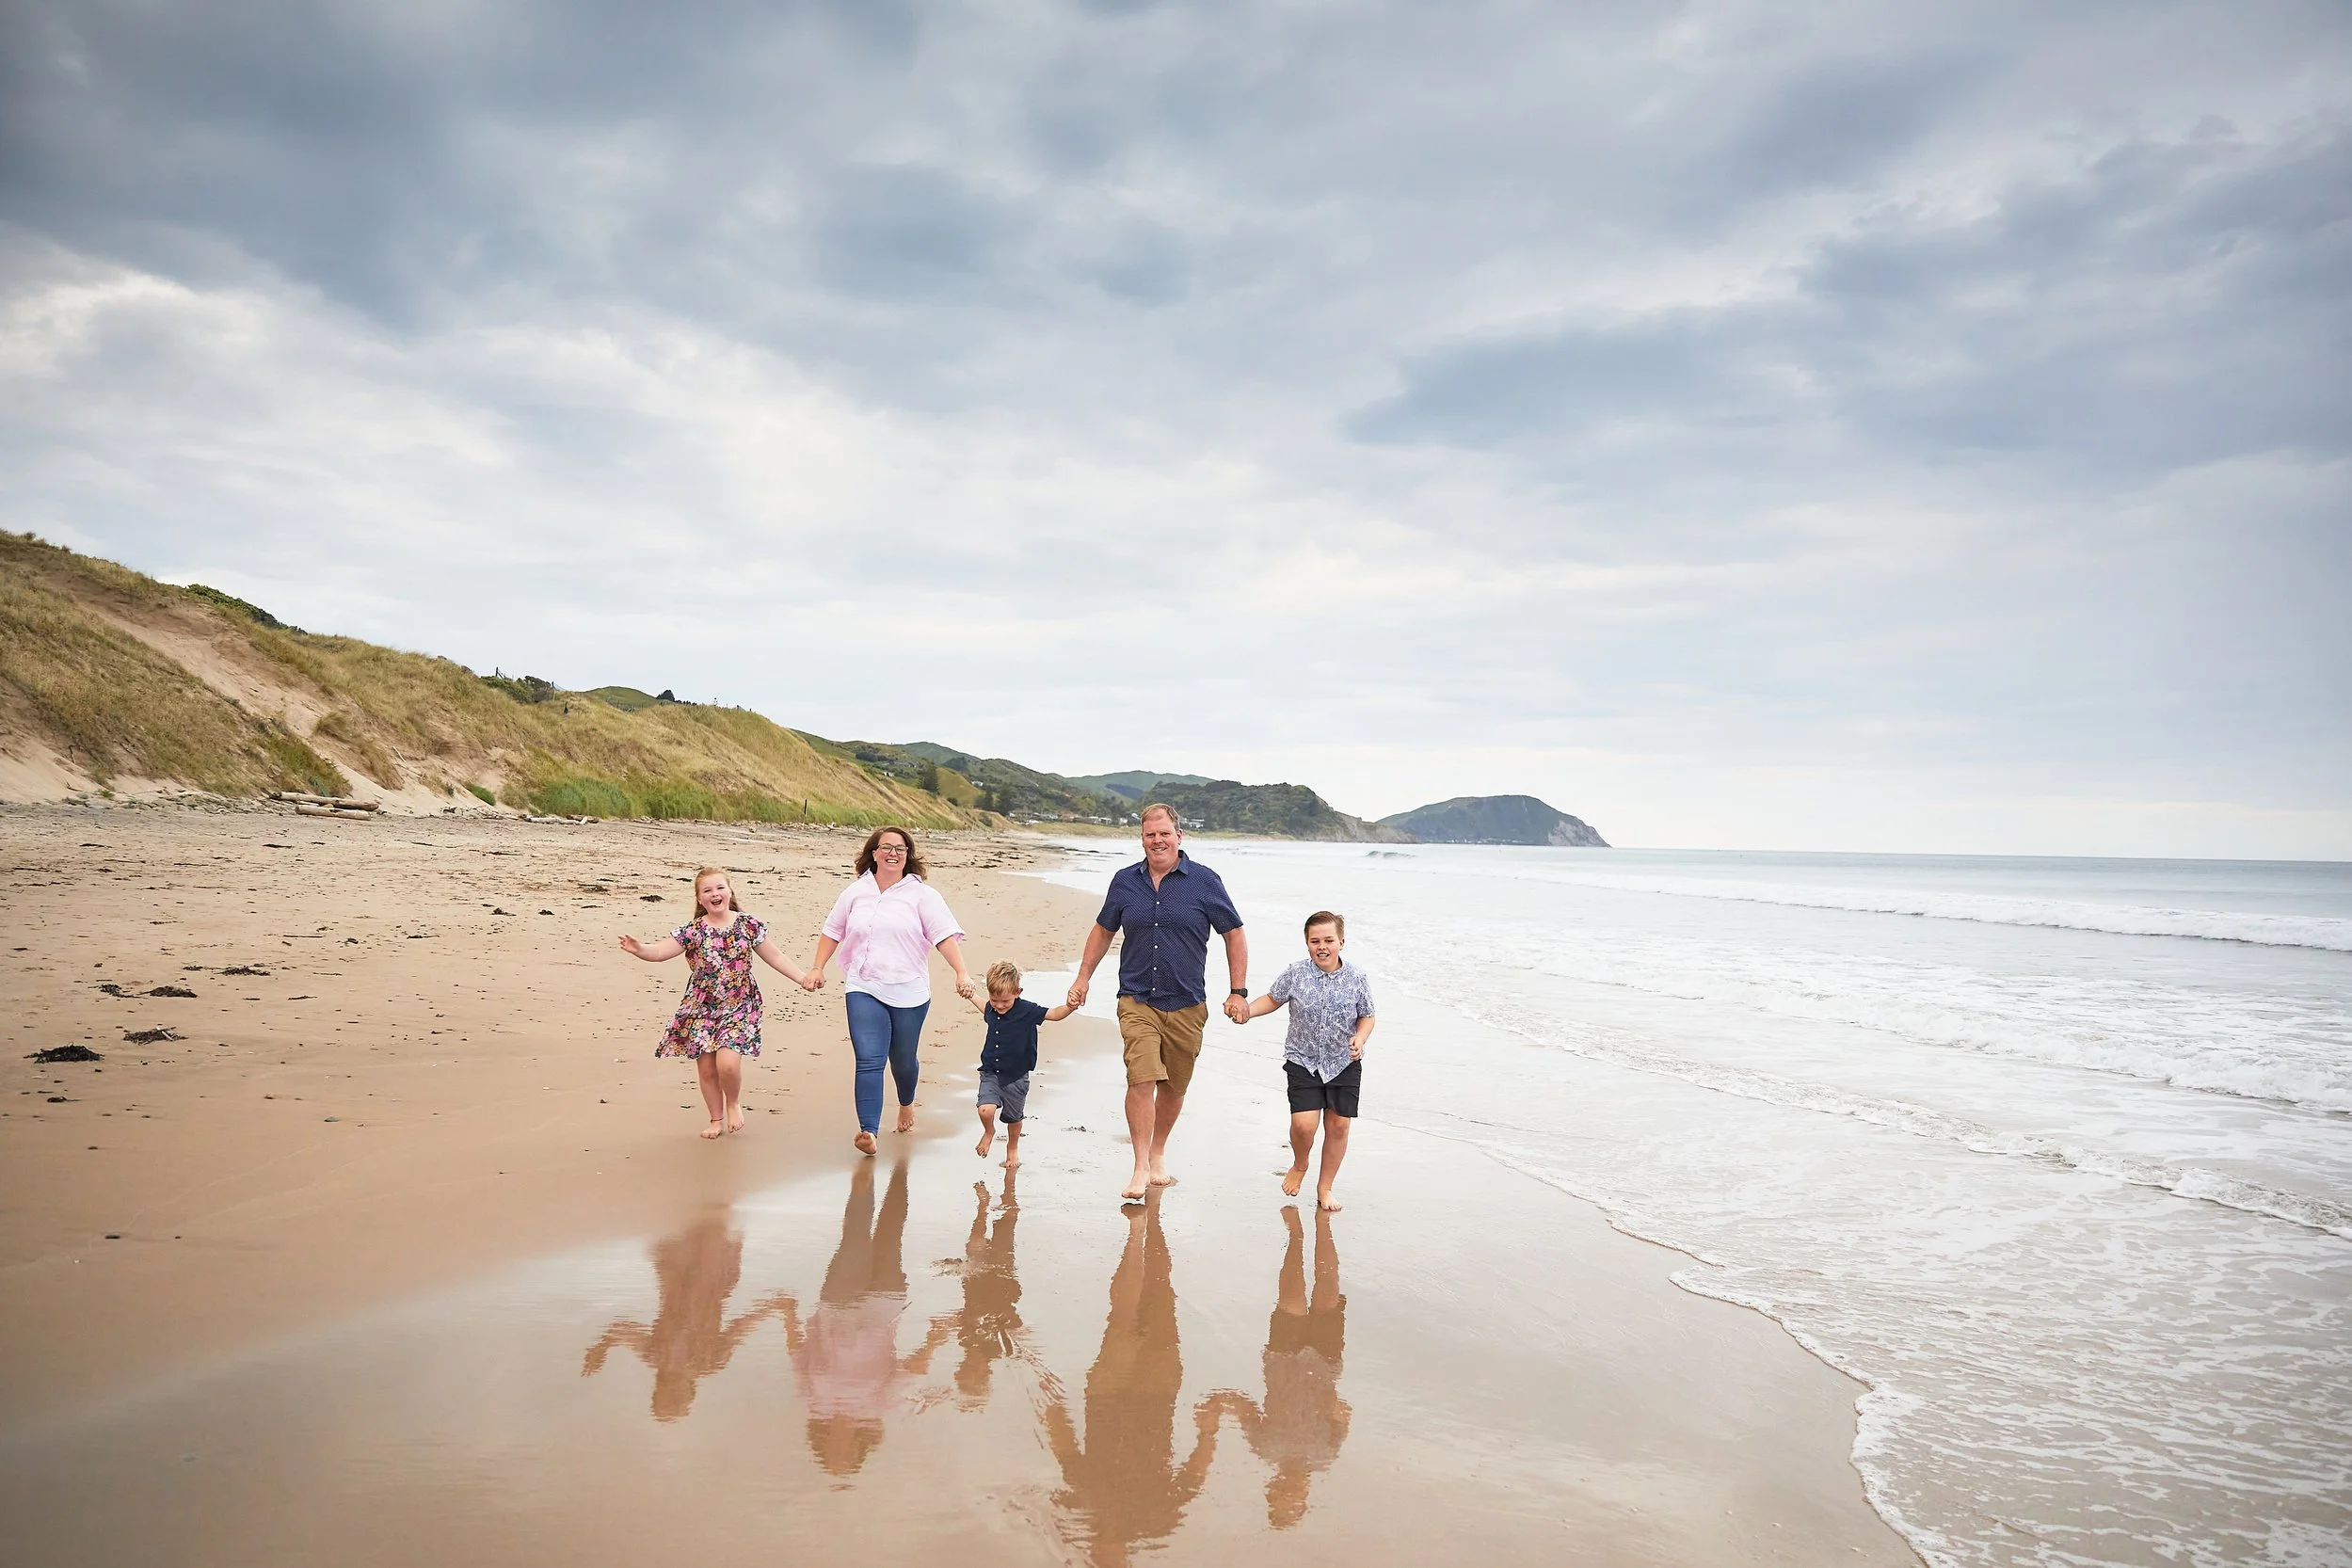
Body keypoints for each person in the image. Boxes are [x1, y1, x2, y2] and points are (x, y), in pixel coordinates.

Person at [1066, 805, 1248, 1202]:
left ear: (1179, 836)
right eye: (1150, 835)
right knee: (1141, 1077)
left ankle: (1158, 1149)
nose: (1158, 841)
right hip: (1136, 998)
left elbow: (1233, 933)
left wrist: (1238, 991)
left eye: (1164, 833)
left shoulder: (1203, 881)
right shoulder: (1124, 882)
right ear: (1142, 839)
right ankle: (1140, 1165)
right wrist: (1083, 978)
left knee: (1174, 1086)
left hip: (1186, 1001)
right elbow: (1102, 930)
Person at [807, 825, 976, 1155]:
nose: (893, 853)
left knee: (902, 1061)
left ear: (907, 856)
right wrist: (818, 966)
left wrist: (961, 972)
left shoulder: (923, 895)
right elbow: (832, 931)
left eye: (900, 848)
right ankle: (868, 1131)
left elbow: (943, 936)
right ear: (873, 853)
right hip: (863, 984)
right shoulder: (856, 892)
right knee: (869, 1059)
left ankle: (906, 1102)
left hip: (909, 990)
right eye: (886, 847)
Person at [776, 1159, 951, 1476]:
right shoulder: (875, 1409)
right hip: (885, 1301)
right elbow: (912, 1369)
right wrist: (935, 1337)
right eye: (847, 1455)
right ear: (859, 1448)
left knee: (855, 1237)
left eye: (832, 1455)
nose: (839, 1448)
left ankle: (864, 1179)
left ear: (822, 1445)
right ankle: (900, 1175)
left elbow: (798, 1355)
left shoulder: (813, 1402)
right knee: (890, 1230)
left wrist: (788, 1313)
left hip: (838, 1303)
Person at [619, 866, 812, 1139]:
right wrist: (640, 949)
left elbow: (776, 956)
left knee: (728, 1064)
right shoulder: (694, 930)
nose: (715, 894)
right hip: (701, 1007)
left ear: (730, 891)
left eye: (720, 888)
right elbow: (661, 951)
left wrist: (802, 978)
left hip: (739, 1002)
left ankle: (733, 1103)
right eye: (707, 891)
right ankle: (715, 1119)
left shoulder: (747, 925)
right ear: (700, 899)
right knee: (708, 1070)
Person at [1202, 1207, 1352, 1529]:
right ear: (1305, 1495)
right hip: (1324, 1364)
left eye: (1281, 1492)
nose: (1289, 1487)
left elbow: (1245, 1408)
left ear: (1271, 1487)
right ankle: (1321, 1230)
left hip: (1282, 1360)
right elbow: (1343, 1415)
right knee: (1328, 1288)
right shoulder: (1326, 1456)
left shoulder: (1265, 1448)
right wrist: (1336, 1407)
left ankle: (1296, 1237)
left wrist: (1218, 1404)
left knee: (1292, 1291)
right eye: (1292, 1495)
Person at [581, 1209, 790, 1421]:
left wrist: (603, 1346)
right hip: (705, 1279)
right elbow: (739, 1329)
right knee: (708, 1219)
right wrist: (770, 1308)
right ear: (690, 1395)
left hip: (683, 1277)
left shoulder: (656, 1356)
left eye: (667, 1397)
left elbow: (620, 1331)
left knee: (700, 1218)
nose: (675, 1394)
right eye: (677, 1400)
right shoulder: (709, 1362)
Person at [1239, 910, 1373, 1211]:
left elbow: (1367, 1015)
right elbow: (1273, 999)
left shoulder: (1356, 978)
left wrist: (1360, 1038)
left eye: (1329, 940)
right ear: (1307, 943)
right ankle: (1300, 1163)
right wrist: (1248, 1010)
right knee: (1303, 1126)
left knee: (1338, 1126)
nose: (1322, 946)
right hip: (1303, 1060)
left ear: (1341, 942)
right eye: (1315, 941)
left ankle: (1325, 1188)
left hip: (1344, 1061)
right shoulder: (1296, 973)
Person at [963, 959, 1077, 1166]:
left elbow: (1053, 1014)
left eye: (1005, 1001)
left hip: (1017, 1075)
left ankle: (1012, 1147)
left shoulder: (1027, 1011)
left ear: (1018, 991)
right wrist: (971, 995)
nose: (999, 1006)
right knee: (985, 1110)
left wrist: (1070, 1006)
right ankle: (989, 1132)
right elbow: (984, 1007)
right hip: (991, 1072)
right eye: (994, 1000)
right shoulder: (993, 1008)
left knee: (1014, 1117)